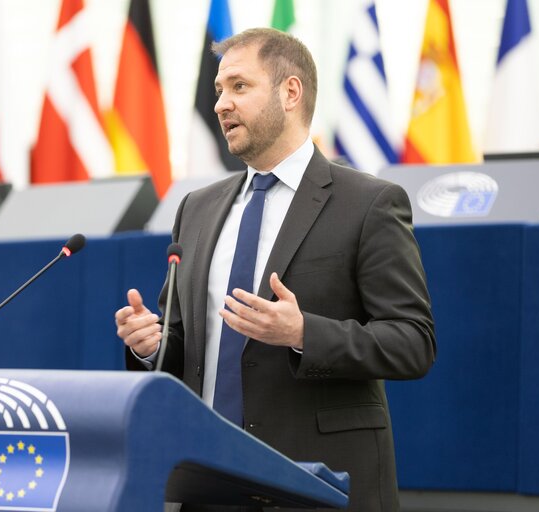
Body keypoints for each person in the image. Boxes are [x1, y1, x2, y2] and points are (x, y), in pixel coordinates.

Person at [115, 28, 435, 512]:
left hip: (317, 486)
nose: (222, 103)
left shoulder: (368, 204)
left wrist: (304, 332)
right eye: (219, 90)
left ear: (290, 93)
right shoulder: (197, 209)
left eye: (239, 87)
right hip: (209, 484)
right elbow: (183, 347)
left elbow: (413, 342)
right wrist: (151, 345)